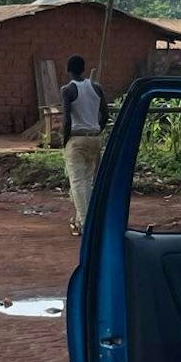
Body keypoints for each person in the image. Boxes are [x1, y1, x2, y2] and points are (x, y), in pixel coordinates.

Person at [59, 55, 104, 235]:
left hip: (76, 140)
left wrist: (65, 141)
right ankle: (82, 220)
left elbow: (67, 120)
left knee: (77, 182)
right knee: (87, 181)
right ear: (83, 69)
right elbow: (105, 114)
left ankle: (85, 224)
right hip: (94, 138)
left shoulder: (67, 90)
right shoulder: (96, 87)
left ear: (68, 70)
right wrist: (96, 130)